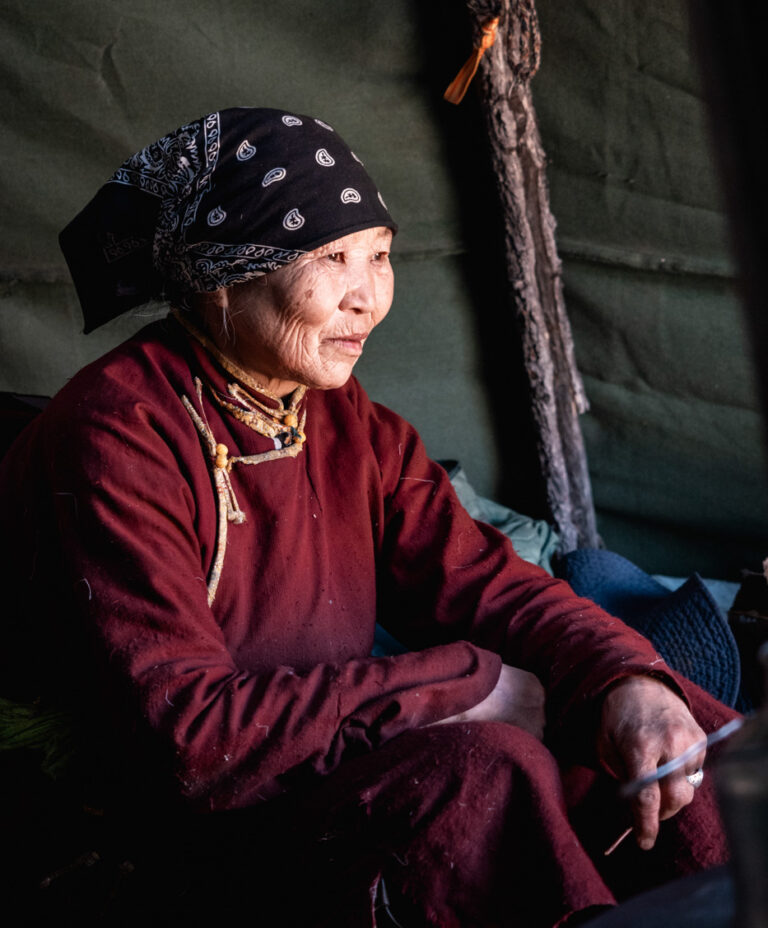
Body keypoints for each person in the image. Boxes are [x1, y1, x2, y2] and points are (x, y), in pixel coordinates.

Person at [0, 107, 737, 927]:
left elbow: (489, 585)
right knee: (482, 767)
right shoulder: (118, 434)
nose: (367, 298)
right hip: (176, 834)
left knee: (666, 723)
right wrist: (454, 688)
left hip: (317, 770)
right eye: (332, 258)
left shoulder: (347, 421)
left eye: (380, 256)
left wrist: (625, 677)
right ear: (221, 278)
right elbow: (191, 742)